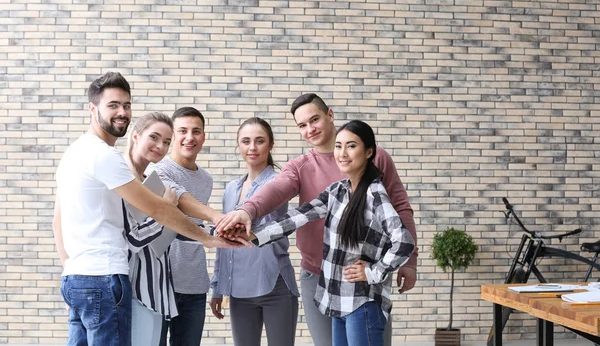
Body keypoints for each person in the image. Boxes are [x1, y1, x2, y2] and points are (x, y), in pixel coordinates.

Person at [52, 72, 242, 346]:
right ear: (92, 109)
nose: (122, 112)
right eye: (113, 105)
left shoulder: (74, 152)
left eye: (127, 105)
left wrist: (69, 269)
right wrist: (209, 239)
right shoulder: (106, 158)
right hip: (105, 278)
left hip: (78, 278)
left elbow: (58, 221)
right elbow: (159, 210)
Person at [217, 93, 418, 346]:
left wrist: (393, 266)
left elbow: (402, 230)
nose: (310, 129)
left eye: (315, 120)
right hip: (324, 280)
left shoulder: (375, 181)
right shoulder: (329, 186)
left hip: (363, 289)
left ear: (330, 115)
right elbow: (294, 215)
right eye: (302, 125)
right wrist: (251, 226)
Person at [209, 117, 299, 346]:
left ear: (271, 145)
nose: (252, 147)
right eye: (246, 141)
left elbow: (273, 228)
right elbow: (223, 240)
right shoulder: (231, 189)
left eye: (260, 141)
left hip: (274, 283)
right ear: (238, 145)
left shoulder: (279, 182)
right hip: (239, 289)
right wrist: (218, 287)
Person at [150, 107, 217, 346]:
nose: (190, 137)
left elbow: (196, 224)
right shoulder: (157, 169)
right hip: (159, 283)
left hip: (195, 284)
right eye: (183, 131)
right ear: (173, 135)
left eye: (196, 131)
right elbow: (181, 198)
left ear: (203, 137)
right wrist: (216, 217)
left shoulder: (206, 179)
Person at [123, 112, 178, 346]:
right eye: (154, 137)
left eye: (166, 142)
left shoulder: (150, 181)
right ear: (136, 135)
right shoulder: (123, 179)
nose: (160, 146)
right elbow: (133, 239)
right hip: (136, 291)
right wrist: (167, 210)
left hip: (157, 289)